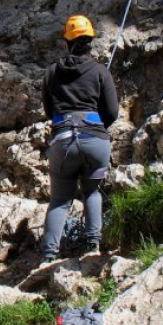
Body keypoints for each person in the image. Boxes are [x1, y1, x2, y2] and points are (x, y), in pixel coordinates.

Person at [40, 15, 119, 263]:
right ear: (91, 41)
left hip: (63, 139)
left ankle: (49, 255)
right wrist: (95, 127)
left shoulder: (52, 72)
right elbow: (112, 111)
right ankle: (92, 246)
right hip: (95, 140)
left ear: (67, 41)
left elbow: (49, 109)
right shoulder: (100, 72)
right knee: (92, 192)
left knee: (61, 199)